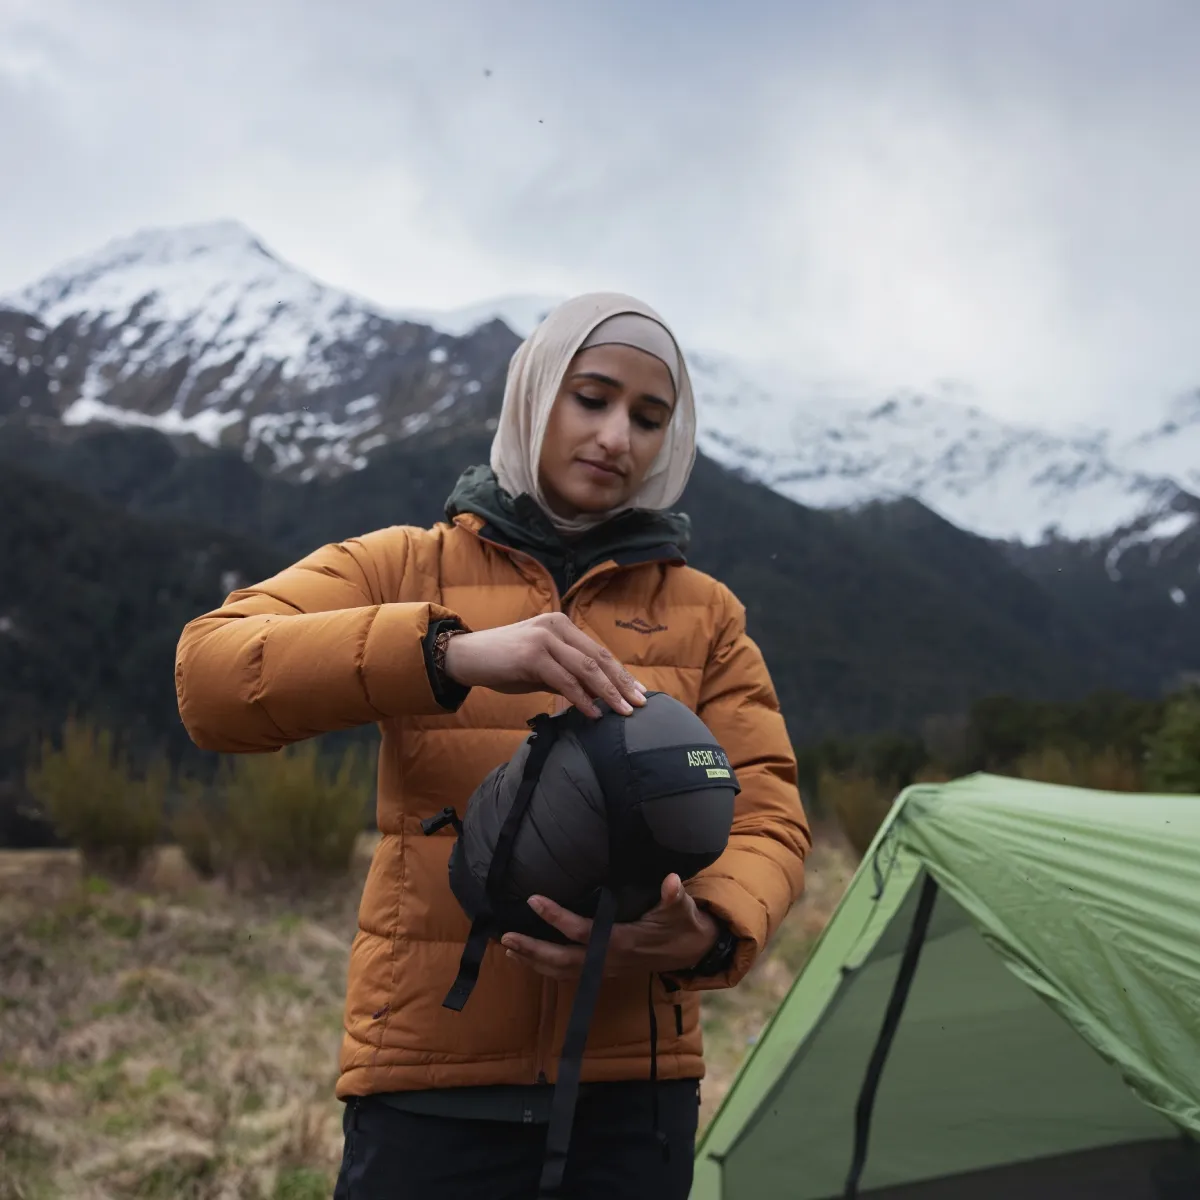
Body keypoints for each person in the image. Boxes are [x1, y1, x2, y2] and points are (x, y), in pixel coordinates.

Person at [174, 292, 811, 1199]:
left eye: (648, 416)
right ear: (533, 397)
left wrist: (697, 930)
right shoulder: (405, 567)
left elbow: (771, 816)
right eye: (591, 398)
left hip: (633, 1096)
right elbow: (210, 679)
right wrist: (451, 652)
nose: (617, 436)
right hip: (432, 1084)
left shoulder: (704, 616)